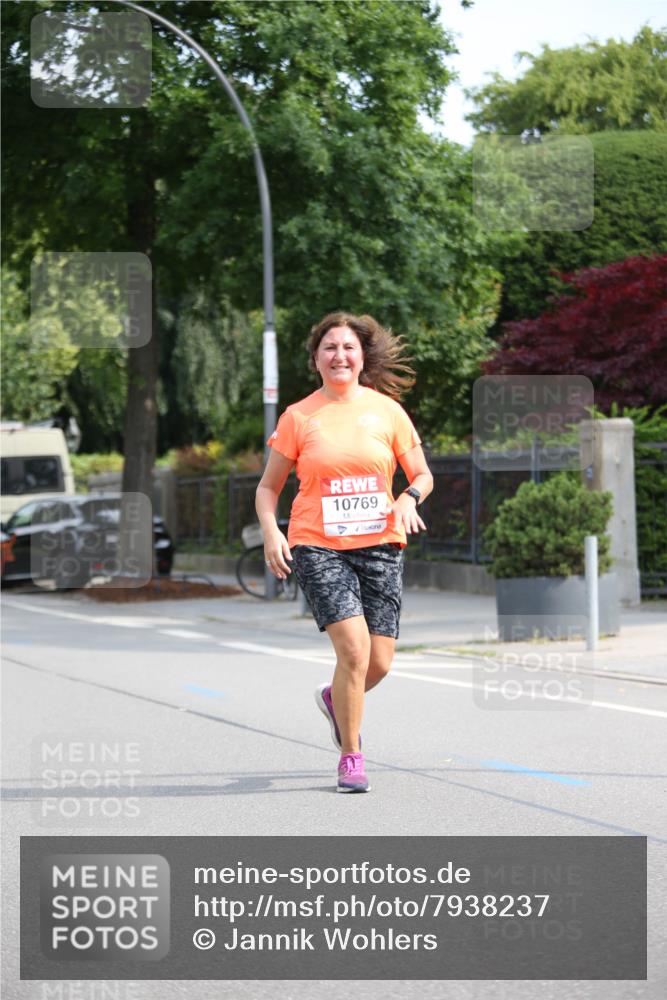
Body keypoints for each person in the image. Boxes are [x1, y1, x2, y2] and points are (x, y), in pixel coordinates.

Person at [255, 312, 433, 793]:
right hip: (318, 543)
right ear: (316, 359)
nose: (340, 355)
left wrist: (406, 498)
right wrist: (273, 532)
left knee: (379, 662)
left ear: (362, 357)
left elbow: (421, 475)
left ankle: (336, 700)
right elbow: (268, 488)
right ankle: (351, 757)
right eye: (330, 348)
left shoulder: (387, 411)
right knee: (353, 650)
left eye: (348, 347)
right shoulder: (299, 416)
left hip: (379, 544)